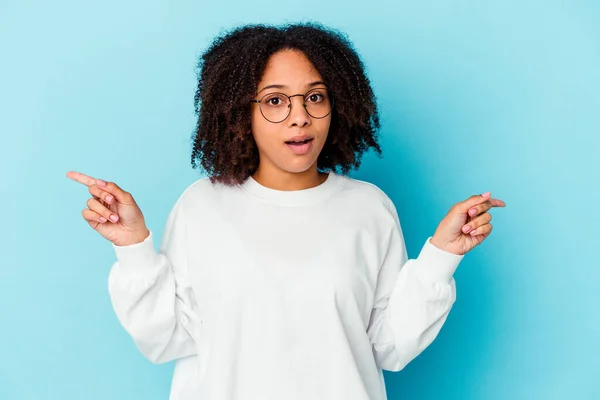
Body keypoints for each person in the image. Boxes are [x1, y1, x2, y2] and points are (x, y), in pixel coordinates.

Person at [66, 22, 505, 400]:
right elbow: (165, 339)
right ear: (242, 114)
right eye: (275, 101)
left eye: (315, 97)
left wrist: (440, 257)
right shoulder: (202, 206)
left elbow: (390, 346)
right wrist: (134, 248)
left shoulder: (368, 208)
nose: (300, 118)